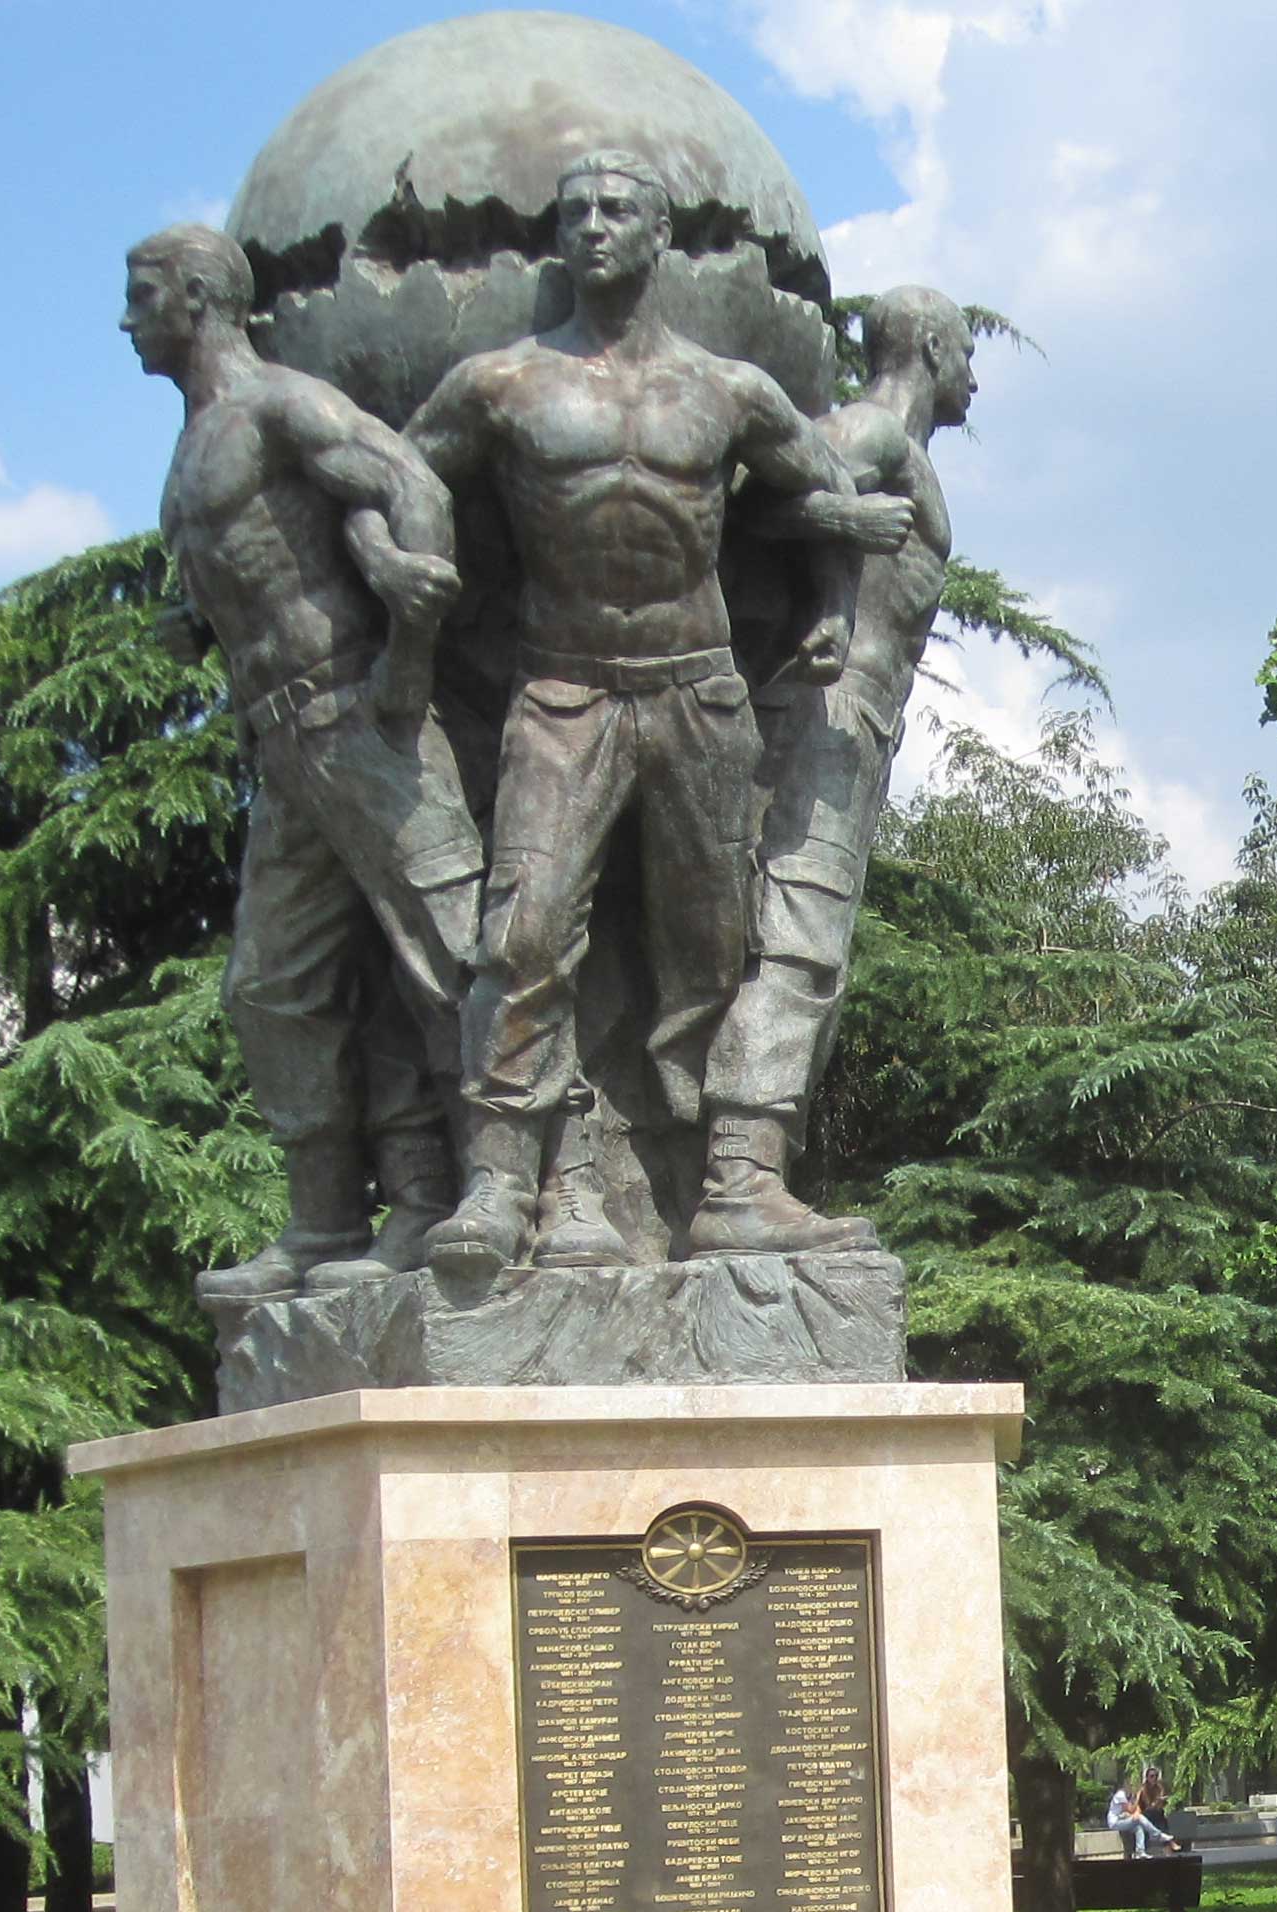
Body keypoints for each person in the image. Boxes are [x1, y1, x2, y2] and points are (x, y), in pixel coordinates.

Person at [405, 149, 911, 1279]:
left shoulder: (726, 391)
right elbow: (404, 481)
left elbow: (818, 497)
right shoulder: (502, 384)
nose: (590, 225)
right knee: (524, 936)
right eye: (573, 209)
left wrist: (832, 595)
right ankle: (500, 1183)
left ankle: (723, 1185)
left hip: (696, 691)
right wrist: (399, 588)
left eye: (615, 208)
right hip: (564, 690)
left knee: (713, 950)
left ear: (658, 233)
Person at [122, 221, 481, 1302]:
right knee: (273, 988)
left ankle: (526, 1195)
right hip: (280, 743)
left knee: (449, 952)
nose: (123, 316)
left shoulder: (280, 404)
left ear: (197, 294)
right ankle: (329, 1224)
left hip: (359, 718)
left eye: (140, 292)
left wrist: (409, 654)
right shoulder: (193, 442)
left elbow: (414, 489)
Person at [699, 284, 973, 1252]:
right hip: (820, 713)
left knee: (808, 942)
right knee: (797, 937)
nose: (974, 379)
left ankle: (749, 1165)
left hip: (851, 724)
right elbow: (742, 516)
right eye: (966, 353)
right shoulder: (870, 431)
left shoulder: (894, 448)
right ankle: (738, 1176)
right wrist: (841, 525)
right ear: (934, 350)